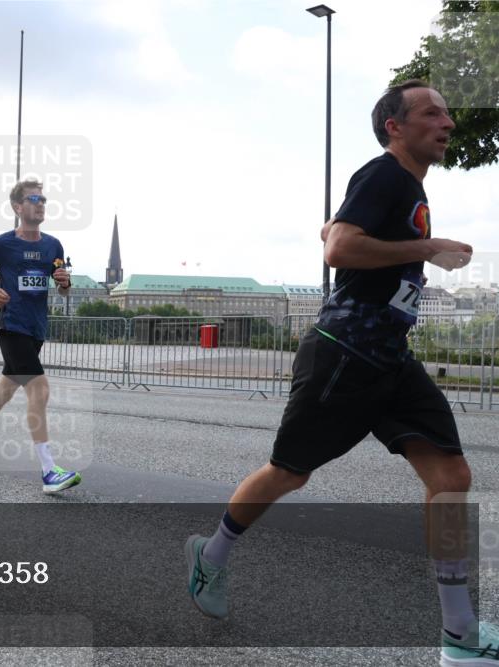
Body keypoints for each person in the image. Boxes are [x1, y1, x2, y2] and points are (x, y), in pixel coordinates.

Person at [182, 80, 491, 665]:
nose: (447, 122)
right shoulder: (386, 175)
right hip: (344, 353)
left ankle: (458, 632)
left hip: (392, 358)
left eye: (448, 113)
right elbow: (340, 249)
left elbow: (332, 229)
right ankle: (212, 554)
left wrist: (388, 241)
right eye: (432, 113)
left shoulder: (404, 187)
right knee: (288, 473)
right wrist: (427, 249)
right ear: (395, 126)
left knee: (451, 477)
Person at [0, 181, 80, 494]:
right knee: (39, 388)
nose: (40, 204)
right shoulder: (2, 244)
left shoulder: (54, 246)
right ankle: (49, 470)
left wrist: (65, 282)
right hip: (11, 325)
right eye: (33, 199)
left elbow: (63, 288)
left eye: (43, 199)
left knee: (4, 391)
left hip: (37, 327)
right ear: (17, 207)